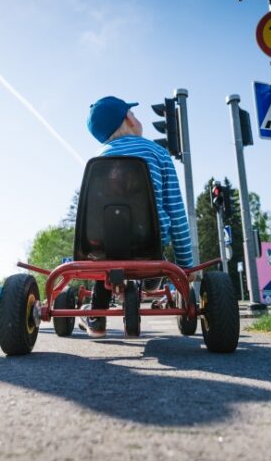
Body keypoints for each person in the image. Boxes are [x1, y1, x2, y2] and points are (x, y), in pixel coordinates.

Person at [82, 96, 194, 338]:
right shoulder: (158, 154)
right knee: (151, 258)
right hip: (148, 243)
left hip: (102, 246)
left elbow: (88, 213)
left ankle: (96, 317)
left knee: (104, 260)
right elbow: (176, 211)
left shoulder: (96, 159)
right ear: (129, 119)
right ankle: (150, 282)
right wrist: (186, 265)